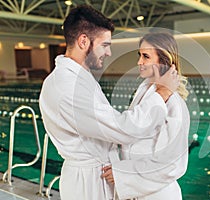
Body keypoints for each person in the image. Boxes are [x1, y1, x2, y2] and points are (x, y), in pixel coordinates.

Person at [39, 5, 180, 200]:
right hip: (89, 184)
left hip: (97, 176)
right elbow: (124, 129)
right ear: (83, 41)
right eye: (105, 45)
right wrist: (162, 94)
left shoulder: (79, 78)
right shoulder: (68, 87)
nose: (109, 53)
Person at [102, 32, 190, 199]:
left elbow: (172, 164)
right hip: (138, 192)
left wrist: (123, 174)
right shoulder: (144, 92)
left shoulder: (174, 104)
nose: (139, 62)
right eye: (139, 55)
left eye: (146, 56)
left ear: (163, 60)